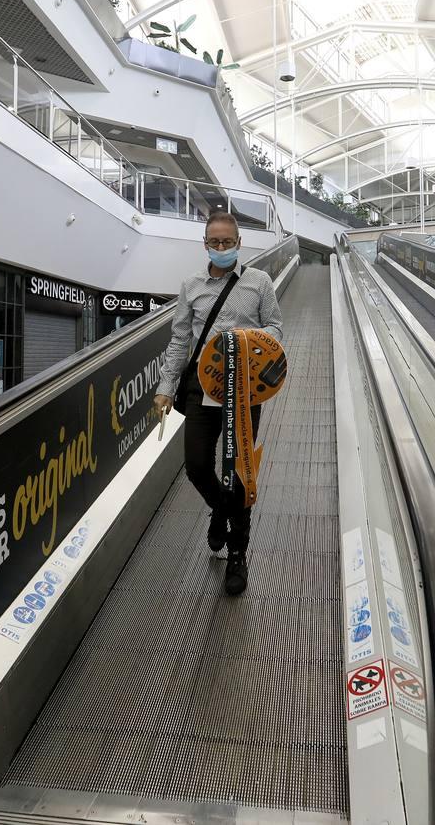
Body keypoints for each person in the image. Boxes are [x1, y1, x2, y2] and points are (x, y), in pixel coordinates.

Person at [153, 211, 283, 595]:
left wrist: (246, 338)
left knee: (241, 472)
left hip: (244, 391)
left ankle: (238, 554)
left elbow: (275, 328)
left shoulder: (259, 282)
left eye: (228, 242)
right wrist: (165, 386)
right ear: (206, 245)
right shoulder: (191, 286)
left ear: (239, 244)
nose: (222, 248)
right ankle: (222, 510)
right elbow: (180, 340)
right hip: (201, 387)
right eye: (216, 242)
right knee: (196, 464)